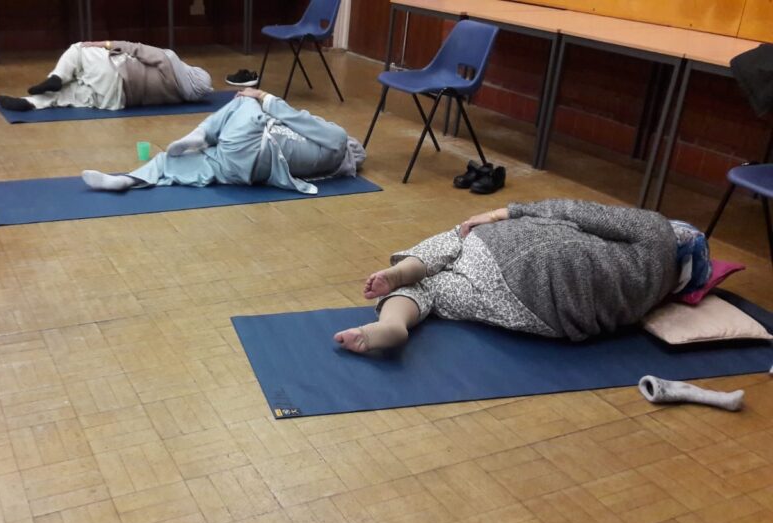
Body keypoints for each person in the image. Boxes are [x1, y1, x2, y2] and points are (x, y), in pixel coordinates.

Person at [334, 199, 702, 353]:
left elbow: (573, 209)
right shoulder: (655, 293)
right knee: (446, 290)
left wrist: (504, 213)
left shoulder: (657, 231)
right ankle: (392, 323)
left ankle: (402, 279)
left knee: (457, 237)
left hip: (521, 255)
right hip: (538, 314)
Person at [81, 88, 366, 195]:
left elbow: (292, 115)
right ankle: (126, 180)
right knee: (171, 161)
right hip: (243, 170)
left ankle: (202, 133)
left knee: (244, 101)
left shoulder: (337, 140)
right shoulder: (323, 159)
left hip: (255, 148)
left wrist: (264, 96)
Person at [0, 41, 213, 112]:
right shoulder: (178, 96)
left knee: (78, 50)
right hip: (117, 100)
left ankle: (57, 76)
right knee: (70, 96)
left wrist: (102, 44)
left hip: (115, 72)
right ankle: (30, 103)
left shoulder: (170, 61)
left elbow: (134, 48)